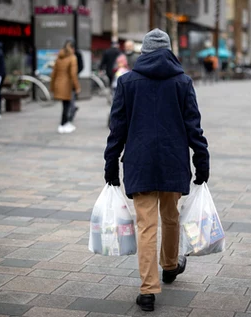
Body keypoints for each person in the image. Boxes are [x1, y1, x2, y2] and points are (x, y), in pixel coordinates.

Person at [104, 28, 210, 312]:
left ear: (145, 52)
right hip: (173, 161)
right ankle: (171, 265)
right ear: (170, 51)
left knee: (146, 225)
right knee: (171, 217)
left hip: (140, 163)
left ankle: (148, 290)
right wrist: (202, 160)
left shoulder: (127, 82)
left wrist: (111, 162)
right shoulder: (183, 82)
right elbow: (193, 127)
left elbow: (118, 129)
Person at [50, 42, 80, 134]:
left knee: (65, 105)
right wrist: (77, 86)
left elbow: (54, 73)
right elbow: (73, 74)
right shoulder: (72, 58)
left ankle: (65, 123)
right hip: (67, 85)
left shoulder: (59, 58)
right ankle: (63, 124)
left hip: (58, 83)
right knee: (67, 105)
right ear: (72, 49)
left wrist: (52, 86)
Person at [63, 40, 84, 123]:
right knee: (66, 99)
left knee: (71, 98)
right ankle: (66, 116)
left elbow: (81, 66)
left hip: (72, 80)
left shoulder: (76, 56)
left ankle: (70, 115)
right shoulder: (63, 55)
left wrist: (76, 72)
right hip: (64, 81)